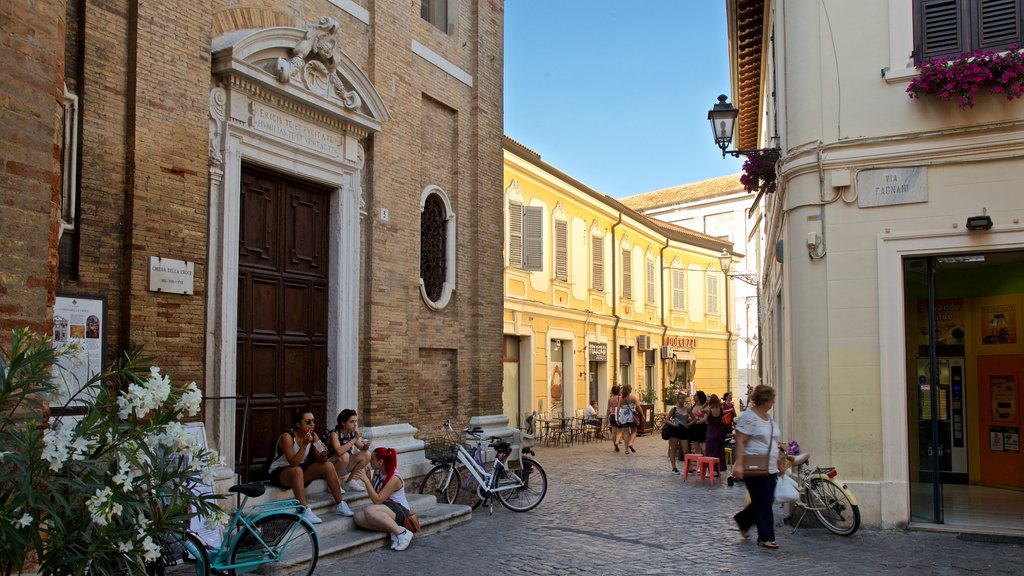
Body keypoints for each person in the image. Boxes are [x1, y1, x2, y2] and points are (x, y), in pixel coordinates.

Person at [267, 408, 349, 524]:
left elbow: (322, 459)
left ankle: (340, 504)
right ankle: (304, 509)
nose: (312, 425)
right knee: (297, 470)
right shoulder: (287, 437)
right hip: (280, 472)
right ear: (298, 424)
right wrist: (304, 445)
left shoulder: (314, 435)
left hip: (299, 469)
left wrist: (323, 454)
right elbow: (293, 463)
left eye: (313, 421)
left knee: (328, 465)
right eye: (308, 422)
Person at [732, 384, 784, 549]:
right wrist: (739, 464)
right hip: (754, 465)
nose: (773, 403)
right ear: (764, 400)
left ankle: (743, 519)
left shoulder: (769, 419)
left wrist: (779, 462)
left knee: (768, 499)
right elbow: (740, 440)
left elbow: (773, 442)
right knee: (763, 502)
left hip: (770, 466)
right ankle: (766, 537)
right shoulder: (749, 417)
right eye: (771, 400)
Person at [351, 447, 415, 551]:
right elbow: (375, 495)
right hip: (386, 508)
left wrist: (366, 481)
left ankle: (403, 533)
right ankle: (394, 530)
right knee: (358, 517)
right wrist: (370, 479)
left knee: (369, 510)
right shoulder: (378, 472)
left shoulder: (394, 478)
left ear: (380, 462)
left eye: (372, 459)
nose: (370, 461)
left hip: (400, 510)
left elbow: (377, 500)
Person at [326, 408, 372, 493]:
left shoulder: (351, 433)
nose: (355, 424)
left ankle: (351, 481)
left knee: (367, 454)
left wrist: (365, 446)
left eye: (356, 421)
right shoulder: (334, 434)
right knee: (345, 455)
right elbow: (338, 451)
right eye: (352, 422)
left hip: (344, 463)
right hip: (331, 465)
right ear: (343, 423)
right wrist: (354, 439)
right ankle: (333, 484)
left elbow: (361, 447)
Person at [660, 395, 690, 475]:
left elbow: (693, 419)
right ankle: (674, 468)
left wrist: (688, 425)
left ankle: (688, 468)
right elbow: (667, 420)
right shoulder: (674, 409)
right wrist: (674, 425)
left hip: (684, 430)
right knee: (672, 449)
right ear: (677, 399)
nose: (682, 400)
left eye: (683, 398)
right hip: (675, 430)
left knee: (686, 450)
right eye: (680, 398)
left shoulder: (687, 409)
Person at [704, 394, 726, 473]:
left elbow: (700, 410)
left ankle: (710, 470)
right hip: (719, 432)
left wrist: (706, 403)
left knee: (710, 451)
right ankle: (717, 470)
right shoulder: (721, 409)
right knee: (718, 451)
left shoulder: (708, 410)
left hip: (711, 433)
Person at [617, 384, 640, 454]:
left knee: (626, 433)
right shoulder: (633, 398)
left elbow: (618, 408)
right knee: (634, 431)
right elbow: (638, 407)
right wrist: (642, 415)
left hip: (624, 416)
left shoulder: (621, 398)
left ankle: (626, 450)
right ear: (630, 390)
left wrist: (618, 417)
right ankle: (631, 443)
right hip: (631, 416)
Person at [687, 390, 709, 456]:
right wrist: (691, 419)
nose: (694, 396)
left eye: (696, 395)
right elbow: (689, 416)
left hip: (702, 428)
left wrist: (696, 422)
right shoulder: (693, 406)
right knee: (696, 447)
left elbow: (705, 419)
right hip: (694, 428)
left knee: (703, 446)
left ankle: (706, 461)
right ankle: (699, 464)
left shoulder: (705, 407)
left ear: (699, 397)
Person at [607, 385, 622, 452]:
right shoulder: (620, 398)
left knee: (613, 432)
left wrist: (607, 418)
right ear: (618, 391)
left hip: (612, 415)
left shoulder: (610, 399)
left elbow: (608, 409)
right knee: (620, 431)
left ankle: (615, 446)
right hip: (619, 415)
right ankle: (617, 441)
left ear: (612, 391)